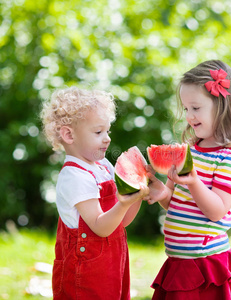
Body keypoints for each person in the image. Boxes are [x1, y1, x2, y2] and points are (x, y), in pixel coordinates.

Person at [146, 60, 231, 299]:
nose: (189, 116)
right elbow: (175, 202)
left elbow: (216, 211)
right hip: (178, 263)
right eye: (185, 109)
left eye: (196, 108)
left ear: (222, 106)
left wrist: (193, 182)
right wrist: (162, 193)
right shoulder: (189, 150)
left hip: (207, 266)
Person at [40, 86, 149, 299]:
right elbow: (100, 227)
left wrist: (138, 193)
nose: (107, 138)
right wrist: (125, 202)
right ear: (68, 135)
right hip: (84, 271)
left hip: (112, 263)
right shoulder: (74, 176)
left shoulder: (103, 166)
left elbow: (121, 222)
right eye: (98, 132)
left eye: (107, 130)